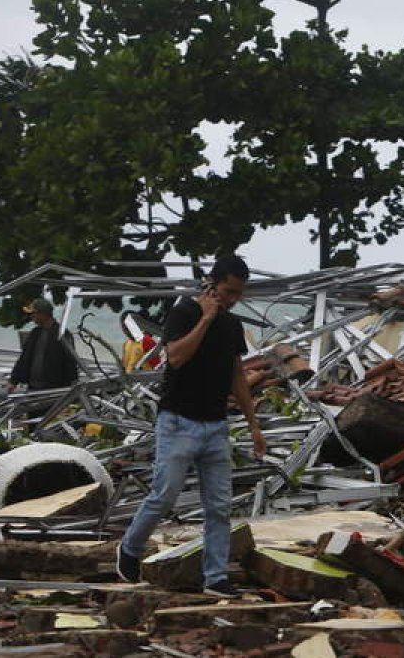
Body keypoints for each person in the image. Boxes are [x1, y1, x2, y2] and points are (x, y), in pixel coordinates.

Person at [116, 254, 266, 597]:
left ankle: (215, 578)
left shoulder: (231, 326)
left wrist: (254, 424)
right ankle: (130, 547)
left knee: (218, 506)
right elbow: (177, 357)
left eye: (238, 294)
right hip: (178, 421)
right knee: (164, 494)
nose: (231, 299)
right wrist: (206, 318)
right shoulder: (184, 311)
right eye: (227, 291)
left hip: (215, 427)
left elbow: (237, 376)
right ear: (213, 283)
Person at [8, 298, 78, 392]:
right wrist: (13, 381)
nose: (32, 316)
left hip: (55, 388)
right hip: (33, 386)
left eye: (34, 313)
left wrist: (72, 384)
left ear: (43, 314)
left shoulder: (62, 334)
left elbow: (71, 362)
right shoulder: (35, 333)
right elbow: (24, 358)